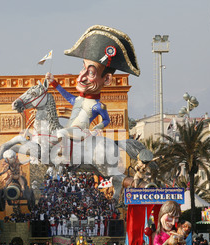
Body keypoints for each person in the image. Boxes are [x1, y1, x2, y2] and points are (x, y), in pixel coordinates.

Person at [45, 25, 140, 156]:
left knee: (60, 133)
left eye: (90, 73)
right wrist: (53, 82)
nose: (81, 77)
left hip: (80, 132)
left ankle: (63, 152)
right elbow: (66, 96)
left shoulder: (97, 106)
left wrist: (97, 127)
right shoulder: (78, 100)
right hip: (69, 130)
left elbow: (106, 120)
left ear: (106, 80)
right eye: (83, 68)